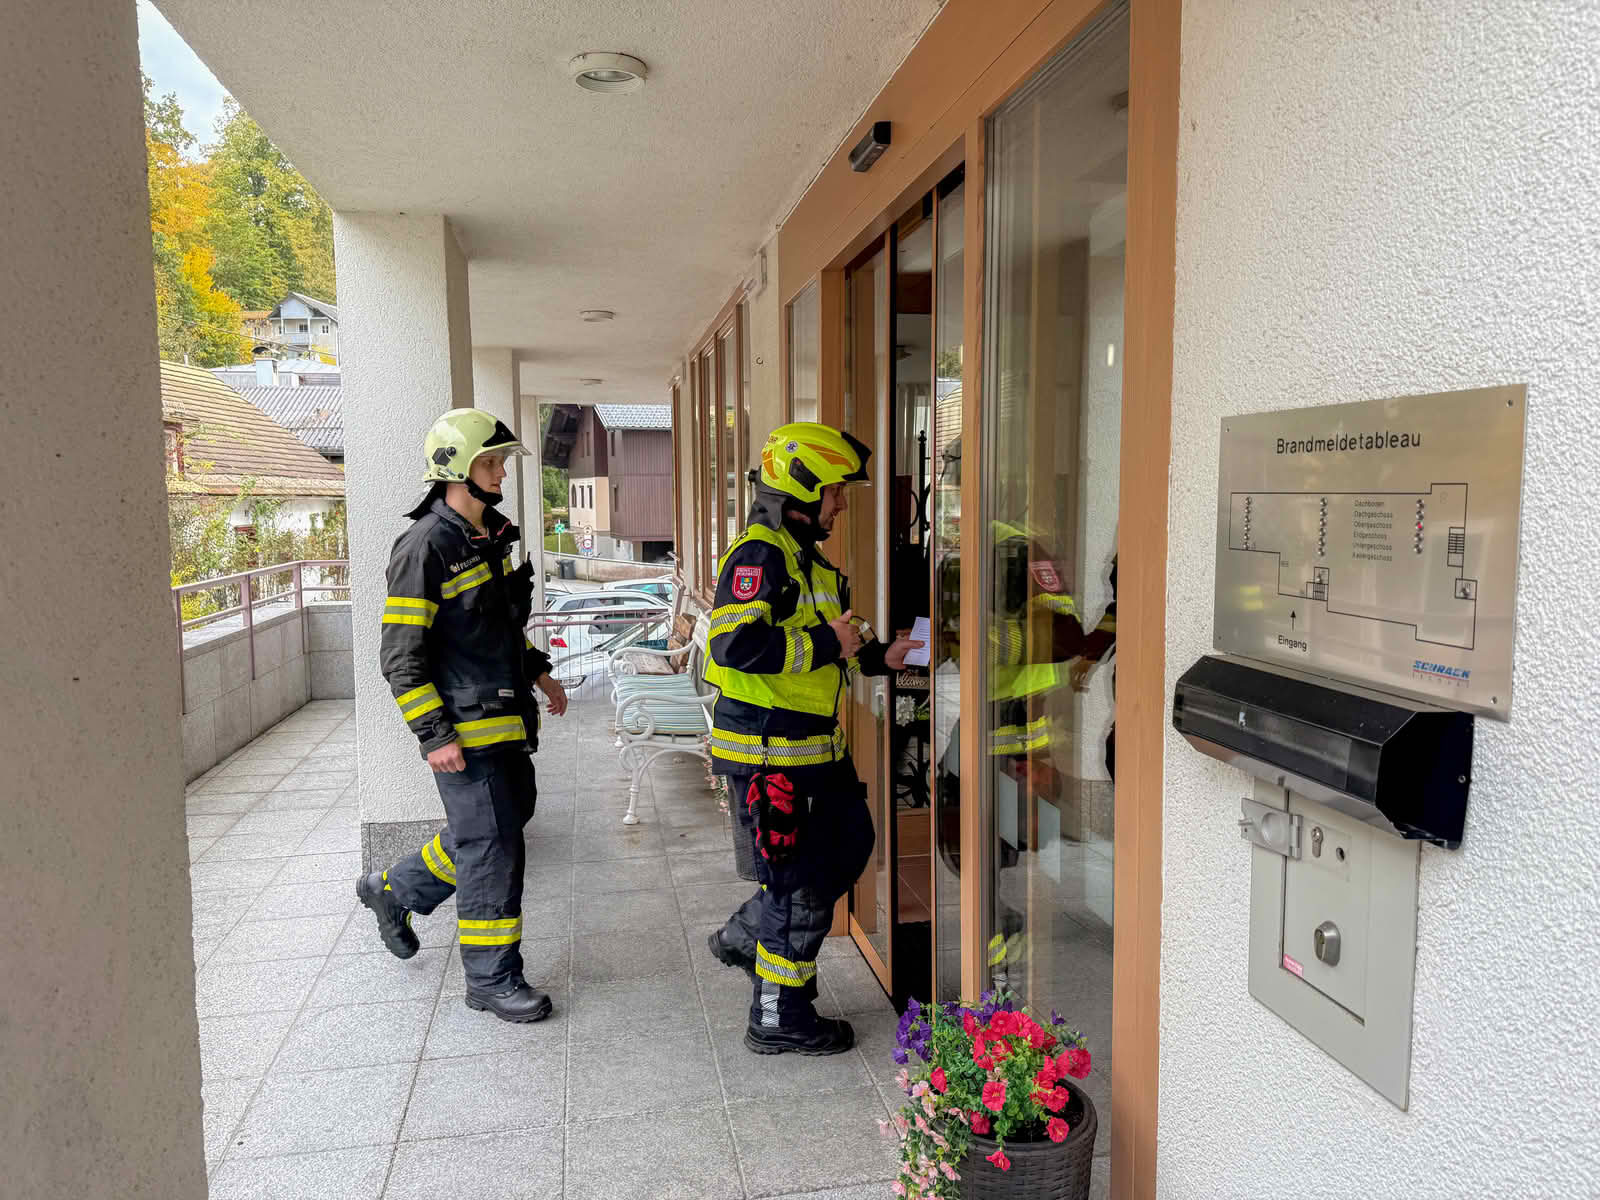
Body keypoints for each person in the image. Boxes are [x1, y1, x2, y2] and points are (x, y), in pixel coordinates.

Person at [704, 421, 922, 1055]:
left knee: (851, 845)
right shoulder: (760, 555)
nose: (842, 503)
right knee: (796, 887)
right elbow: (733, 645)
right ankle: (779, 1015)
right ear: (802, 489)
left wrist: (881, 654)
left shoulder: (807, 559)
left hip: (814, 750)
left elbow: (837, 637)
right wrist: (830, 641)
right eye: (835, 490)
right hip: (769, 751)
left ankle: (747, 936)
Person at [354, 408, 568, 1023]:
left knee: (504, 820)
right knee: (491, 848)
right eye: (490, 462)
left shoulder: (489, 537)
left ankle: (393, 890)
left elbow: (496, 628)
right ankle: (491, 979)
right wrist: (433, 734)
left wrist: (538, 670)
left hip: (505, 718)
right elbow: (400, 655)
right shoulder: (426, 546)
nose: (501, 473)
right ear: (456, 470)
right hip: (464, 731)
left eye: (500, 462)